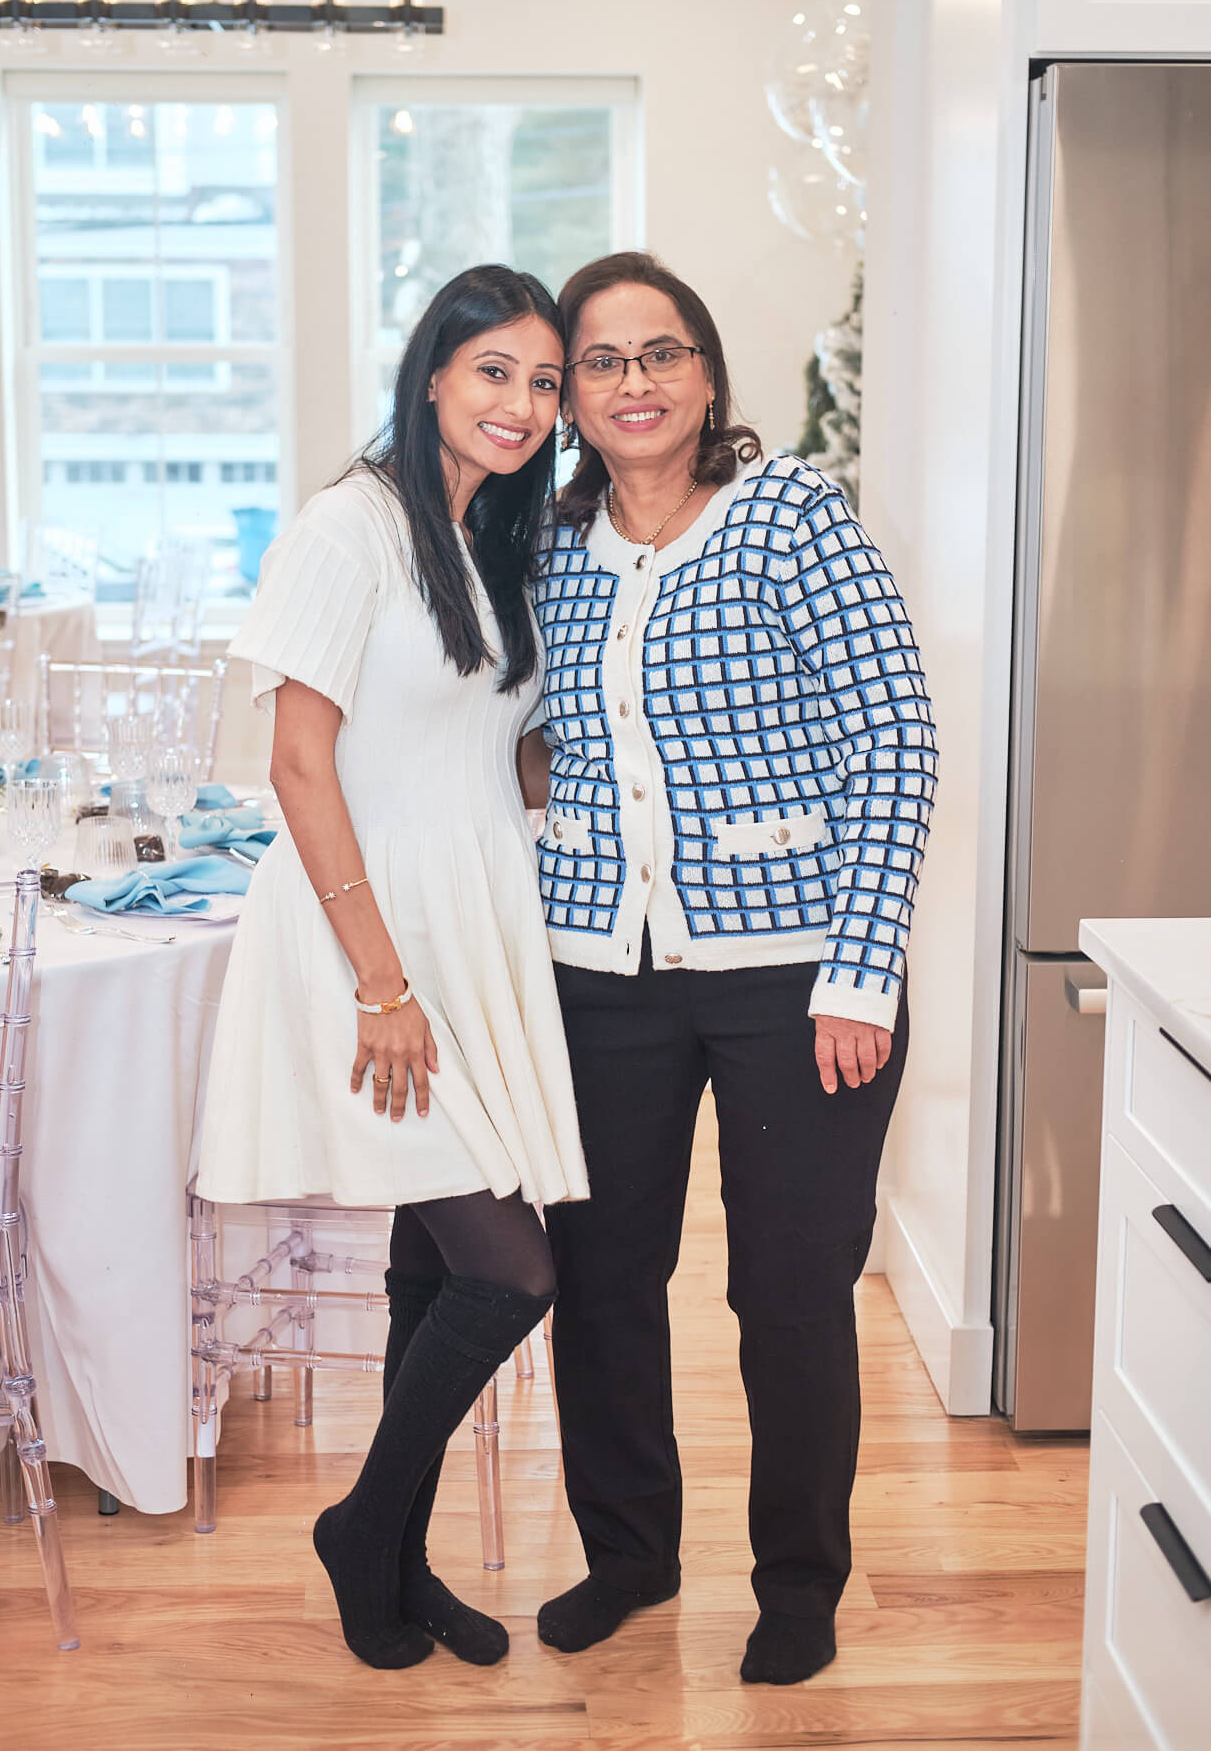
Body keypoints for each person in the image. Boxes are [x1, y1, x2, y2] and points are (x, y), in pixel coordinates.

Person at [520, 251, 937, 1686]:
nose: (633, 383)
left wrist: (861, 972)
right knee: (602, 1277)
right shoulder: (551, 546)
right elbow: (525, 733)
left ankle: (799, 1584)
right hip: (598, 971)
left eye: (662, 353)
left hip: (796, 981)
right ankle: (628, 1555)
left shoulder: (791, 515)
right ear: (570, 394)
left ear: (705, 373)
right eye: (601, 360)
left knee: (790, 1292)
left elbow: (894, 737)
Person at [197, 264, 589, 1671]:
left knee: (433, 1268)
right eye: (495, 372)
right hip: (362, 936)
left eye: (544, 384)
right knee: (511, 1272)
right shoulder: (348, 527)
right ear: (431, 375)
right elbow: (299, 763)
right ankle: (364, 1531)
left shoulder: (490, 540)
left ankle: (393, 1557)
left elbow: (483, 750)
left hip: (469, 924)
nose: (522, 405)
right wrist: (380, 982)